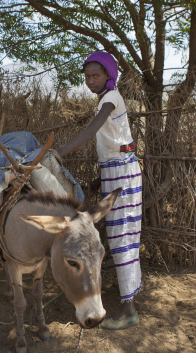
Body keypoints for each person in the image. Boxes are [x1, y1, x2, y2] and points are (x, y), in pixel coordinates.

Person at [56, 52, 142, 330]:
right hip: (115, 171)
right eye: (87, 77)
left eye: (96, 75)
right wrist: (100, 177)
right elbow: (114, 140)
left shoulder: (109, 98)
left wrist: (56, 154)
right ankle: (127, 301)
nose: (91, 80)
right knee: (119, 236)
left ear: (109, 75)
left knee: (121, 238)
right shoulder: (107, 99)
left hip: (122, 174)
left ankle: (129, 310)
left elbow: (89, 133)